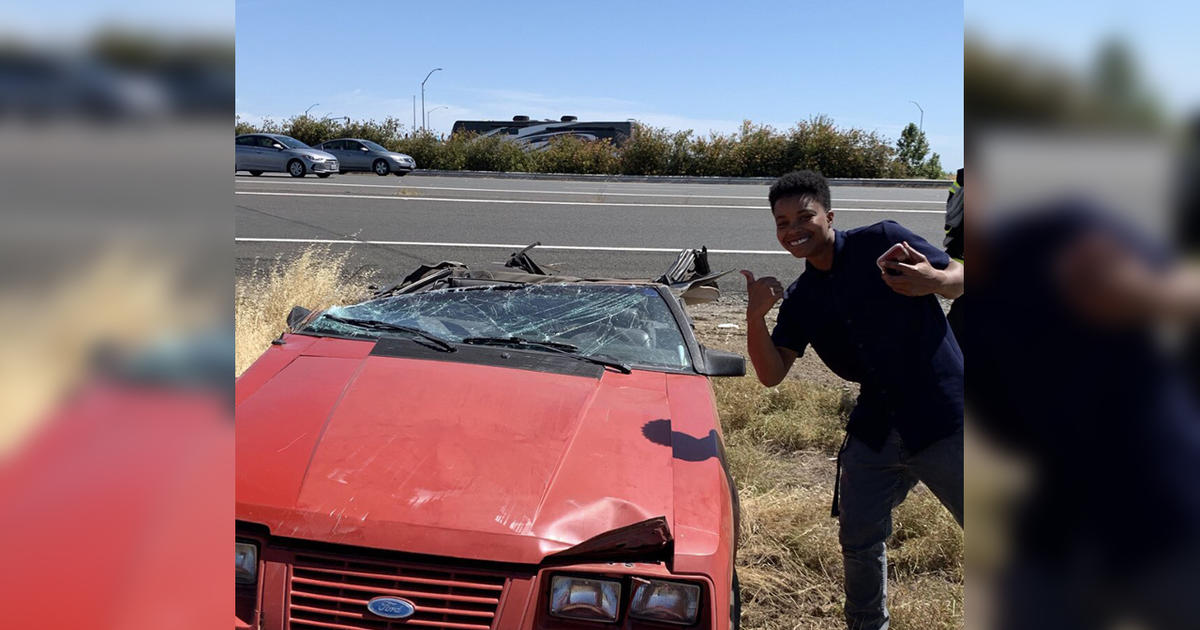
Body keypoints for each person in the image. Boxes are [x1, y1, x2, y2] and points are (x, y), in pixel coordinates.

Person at [741, 170, 963, 630]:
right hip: (876, 423)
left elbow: (962, 276)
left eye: (805, 216)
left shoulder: (881, 241)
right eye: (782, 223)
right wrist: (755, 318)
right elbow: (771, 374)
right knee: (858, 537)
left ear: (830, 216)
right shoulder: (801, 298)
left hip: (945, 412)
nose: (793, 230)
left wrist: (933, 281)